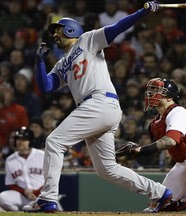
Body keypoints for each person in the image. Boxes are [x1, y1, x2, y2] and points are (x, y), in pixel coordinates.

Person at [23, 2, 172, 213]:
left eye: (58, 30)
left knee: (54, 142)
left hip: (99, 102)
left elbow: (117, 28)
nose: (55, 34)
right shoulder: (61, 63)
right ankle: (159, 192)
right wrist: (39, 63)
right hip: (100, 108)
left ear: (71, 29)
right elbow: (46, 86)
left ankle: (47, 198)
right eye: (54, 31)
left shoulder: (87, 40)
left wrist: (143, 11)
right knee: (106, 170)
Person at [117, 78, 186, 212]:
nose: (151, 94)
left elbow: (170, 141)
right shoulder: (155, 123)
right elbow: (159, 146)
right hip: (185, 162)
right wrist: (134, 151)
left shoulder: (177, 112)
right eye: (150, 91)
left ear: (169, 96)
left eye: (156, 91)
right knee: (162, 202)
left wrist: (141, 150)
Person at [0, 127, 45, 211]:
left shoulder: (42, 155)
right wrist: (25, 191)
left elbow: (51, 179)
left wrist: (36, 192)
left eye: (24, 139)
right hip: (23, 197)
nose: (20, 142)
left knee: (56, 210)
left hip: (42, 196)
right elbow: (11, 184)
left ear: (31, 141)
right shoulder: (10, 160)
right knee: (2, 198)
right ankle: (20, 213)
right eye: (18, 139)